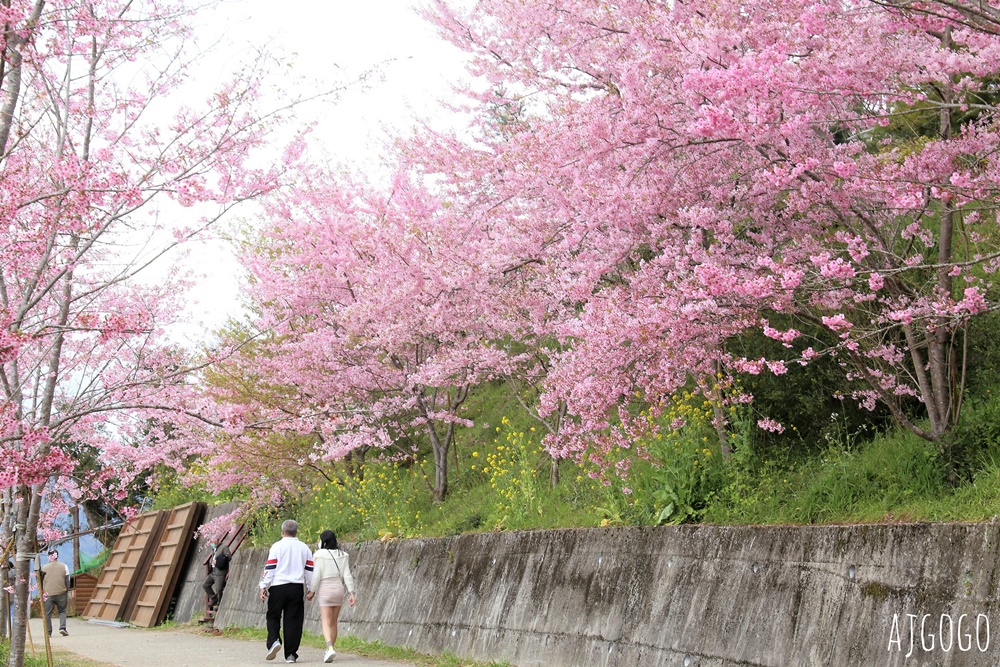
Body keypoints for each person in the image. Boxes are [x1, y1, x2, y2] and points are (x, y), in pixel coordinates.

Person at [259, 520, 313, 664]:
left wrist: (263, 586)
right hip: (296, 587)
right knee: (293, 620)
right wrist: (311, 588)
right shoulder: (304, 548)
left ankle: (274, 640)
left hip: (278, 587)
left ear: (282, 531)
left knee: (273, 616)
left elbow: (270, 568)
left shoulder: (277, 546)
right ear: (296, 532)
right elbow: (309, 570)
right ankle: (291, 654)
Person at [306, 530, 356, 663]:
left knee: (325, 621)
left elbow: (316, 575)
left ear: (323, 541)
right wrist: (351, 592)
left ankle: (329, 647)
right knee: (333, 622)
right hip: (339, 589)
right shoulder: (343, 554)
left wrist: (312, 591)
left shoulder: (319, 554)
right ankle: (330, 649)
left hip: (326, 589)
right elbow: (347, 574)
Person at [40, 549, 70, 637]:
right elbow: (67, 580)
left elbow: (41, 581)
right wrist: (66, 590)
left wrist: (42, 590)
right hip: (61, 592)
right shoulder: (64, 566)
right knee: (62, 611)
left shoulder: (44, 568)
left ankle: (48, 632)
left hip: (48, 593)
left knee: (47, 613)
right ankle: (62, 628)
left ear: (49, 556)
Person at [202, 538, 232, 612]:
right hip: (213, 572)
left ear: (217, 540)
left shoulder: (224, 547)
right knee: (205, 584)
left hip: (220, 572)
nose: (212, 543)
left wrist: (218, 561)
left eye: (213, 541)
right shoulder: (214, 549)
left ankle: (219, 605)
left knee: (219, 589)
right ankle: (214, 598)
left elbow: (228, 557)